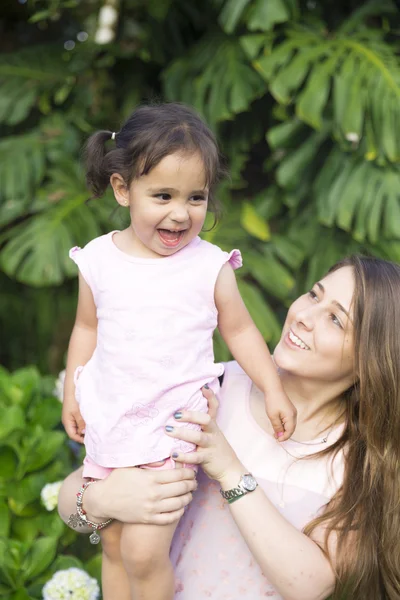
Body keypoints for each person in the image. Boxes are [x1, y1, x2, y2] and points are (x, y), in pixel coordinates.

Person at [59, 254, 400, 600]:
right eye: (314, 295)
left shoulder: (359, 460)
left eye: (335, 320)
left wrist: (230, 471)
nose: (303, 317)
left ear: (371, 360)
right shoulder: (208, 387)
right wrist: (102, 499)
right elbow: (70, 511)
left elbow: (313, 586)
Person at [62, 103, 296, 600]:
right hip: (113, 417)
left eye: (196, 197)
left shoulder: (208, 266)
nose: (181, 213)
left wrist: (274, 385)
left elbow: (242, 332)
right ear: (123, 189)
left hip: (173, 424)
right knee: (115, 541)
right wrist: (72, 393)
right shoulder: (99, 259)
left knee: (145, 552)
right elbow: (86, 328)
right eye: (163, 195)